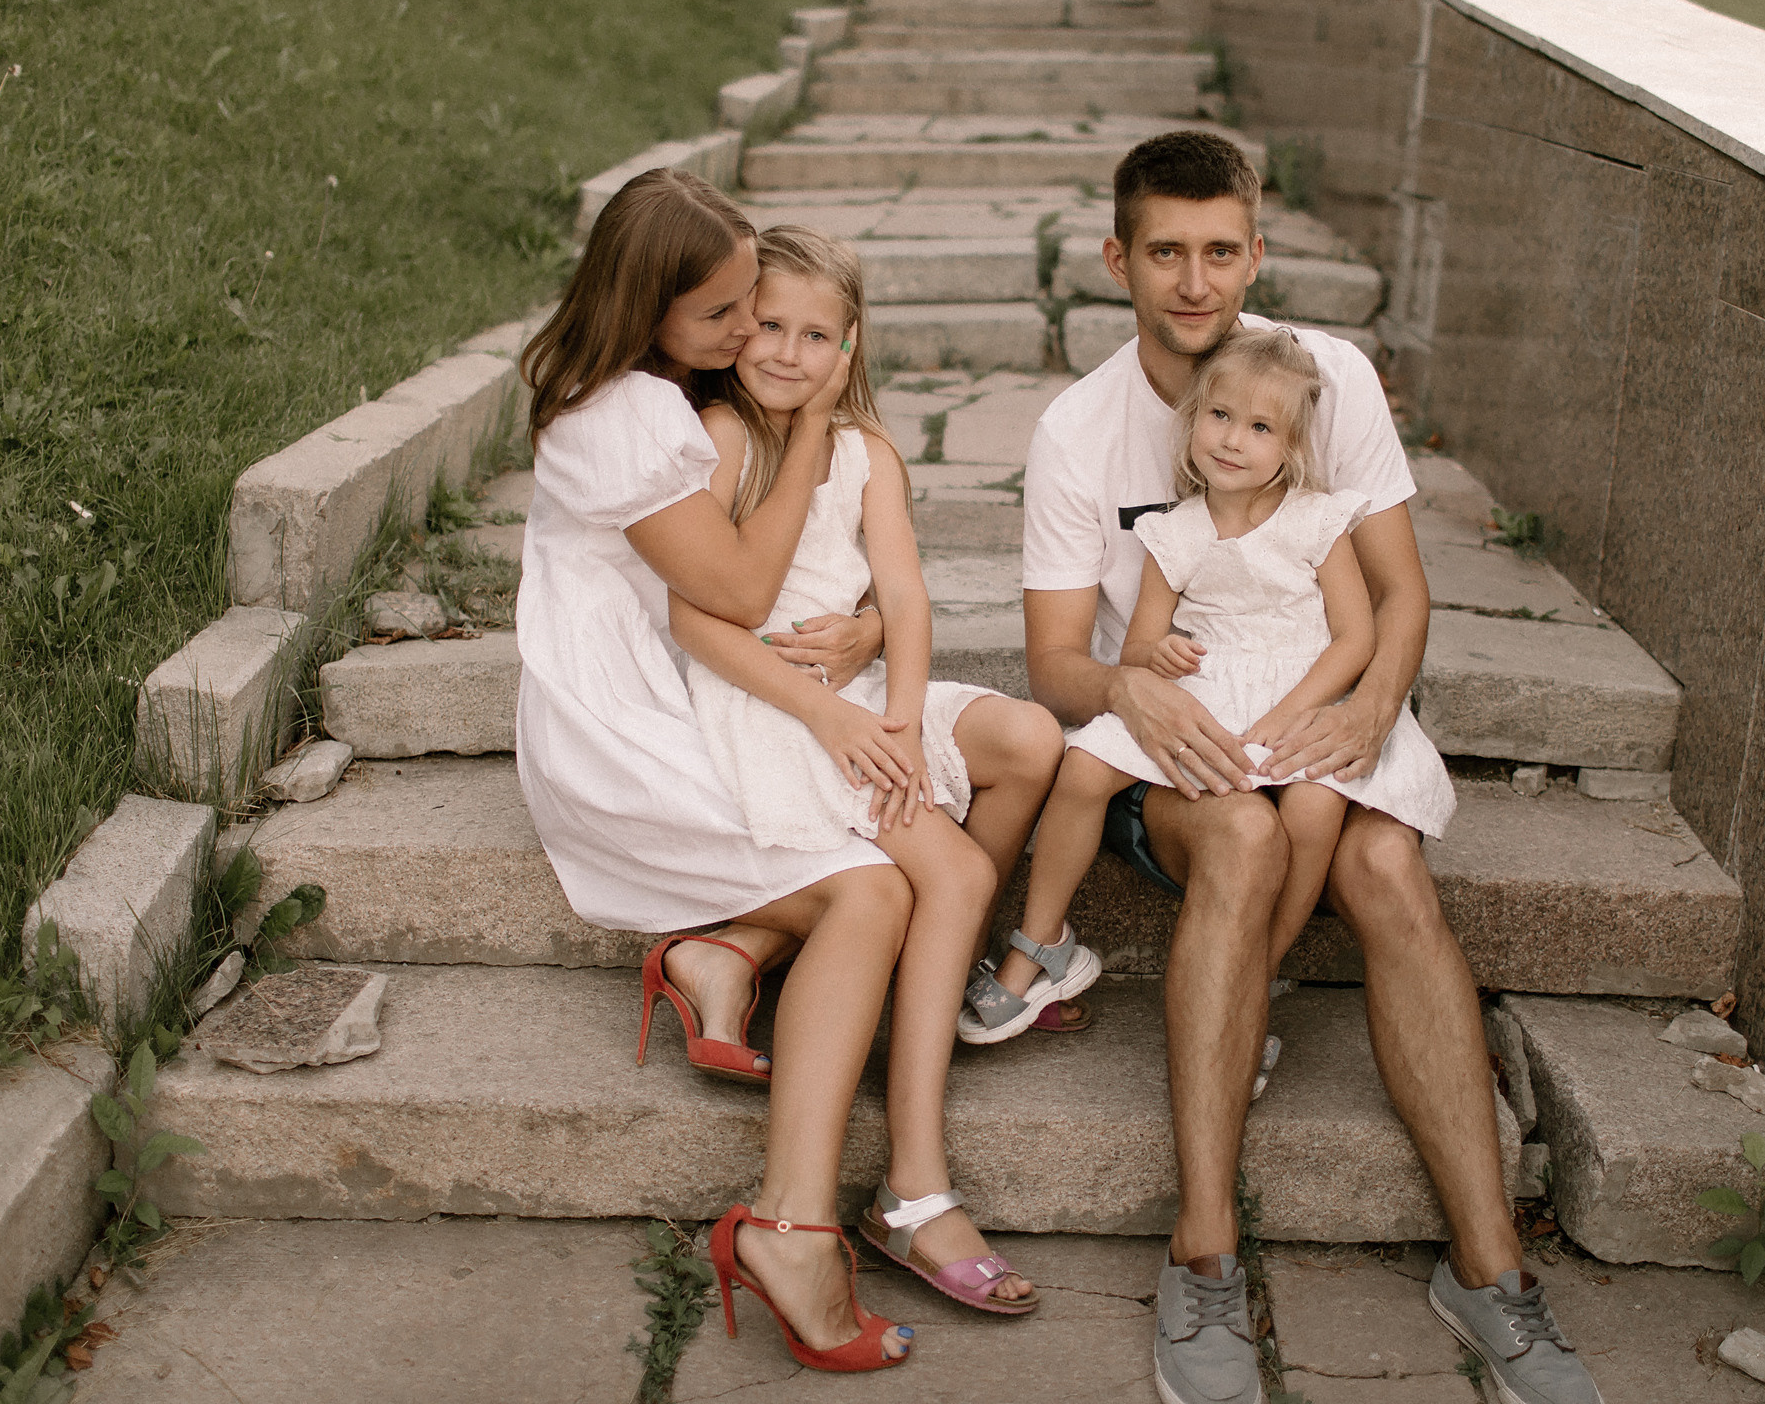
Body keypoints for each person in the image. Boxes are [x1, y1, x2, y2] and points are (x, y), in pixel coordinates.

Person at [1018, 132, 1605, 1404]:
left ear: (1256, 250)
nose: (1194, 280)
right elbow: (1056, 662)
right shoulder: (1077, 431)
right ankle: (1205, 1251)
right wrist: (1126, 682)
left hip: (1328, 701)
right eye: (1164, 252)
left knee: (1389, 866)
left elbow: (1396, 593)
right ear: (1119, 258)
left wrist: (1374, 705)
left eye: (1220, 249)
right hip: (1179, 734)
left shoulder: (1321, 375)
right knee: (1239, 836)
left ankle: (1492, 1273)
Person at [511, 172, 1056, 1374]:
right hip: (648, 722)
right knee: (899, 885)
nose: (752, 336)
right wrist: (815, 433)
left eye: (776, 313)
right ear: (658, 308)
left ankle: (743, 958)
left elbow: (862, 575)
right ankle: (844, 1203)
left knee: (949, 831)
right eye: (732, 315)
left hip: (738, 684)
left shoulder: (685, 394)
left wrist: (874, 647)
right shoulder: (652, 422)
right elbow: (736, 601)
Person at [670, 223, 1051, 1316]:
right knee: (963, 877)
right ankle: (916, 1184)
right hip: (773, 706)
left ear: (850, 344)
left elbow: (908, 594)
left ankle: (875, 989)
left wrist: (895, 712)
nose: (786, 352)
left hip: (853, 704)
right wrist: (850, 724)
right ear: (737, 332)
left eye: (815, 334)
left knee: (1028, 741)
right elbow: (692, 612)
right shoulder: (722, 435)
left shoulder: (868, 452)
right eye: (768, 327)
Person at [965, 325, 1453, 1046]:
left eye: (1259, 428)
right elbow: (1137, 646)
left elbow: (1355, 638)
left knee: (1315, 806)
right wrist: (1160, 657)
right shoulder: (1175, 532)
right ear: (1192, 422)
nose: (1231, 440)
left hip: (1302, 685)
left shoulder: (1319, 521)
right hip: (1214, 682)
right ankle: (1040, 943)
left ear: (1290, 447)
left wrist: (1292, 715)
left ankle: (1252, 980)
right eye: (1219, 417)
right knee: (1084, 765)